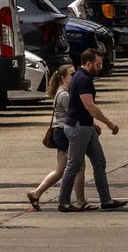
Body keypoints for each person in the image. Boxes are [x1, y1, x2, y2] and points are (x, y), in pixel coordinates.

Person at [59, 48, 126, 212]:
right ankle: (64, 202)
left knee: (99, 162)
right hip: (78, 127)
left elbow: (84, 106)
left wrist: (93, 125)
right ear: (88, 63)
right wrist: (110, 123)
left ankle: (106, 200)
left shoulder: (83, 77)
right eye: (98, 64)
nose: (100, 67)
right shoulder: (82, 79)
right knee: (73, 165)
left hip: (86, 126)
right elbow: (89, 105)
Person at [26, 66, 87, 212]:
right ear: (63, 78)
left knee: (62, 169)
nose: (75, 77)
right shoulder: (64, 95)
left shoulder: (64, 92)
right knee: (76, 166)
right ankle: (80, 200)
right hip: (63, 132)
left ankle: (36, 193)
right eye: (72, 74)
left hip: (62, 132)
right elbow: (75, 113)